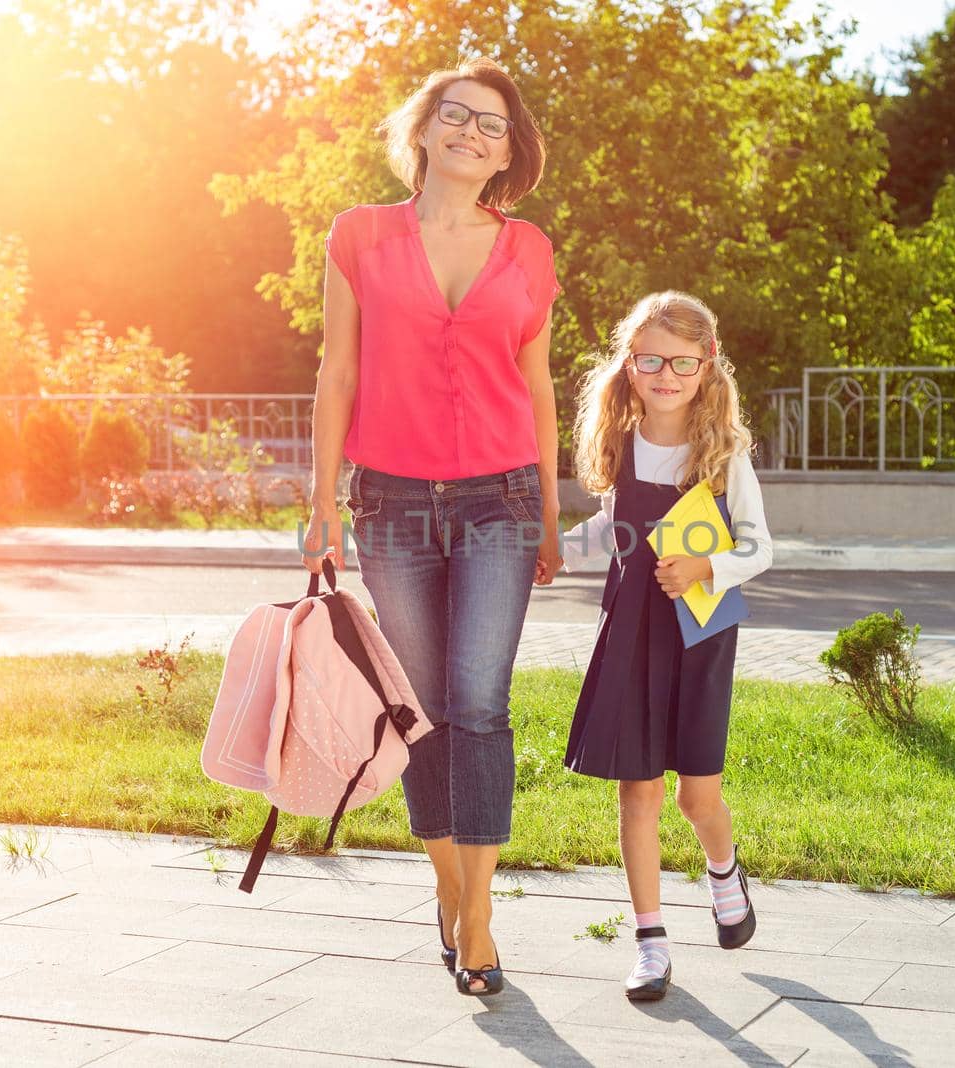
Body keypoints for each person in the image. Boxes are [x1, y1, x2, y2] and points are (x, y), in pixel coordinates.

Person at [302, 58, 561, 998]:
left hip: (501, 500)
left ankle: (479, 915)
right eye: (455, 115)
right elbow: (337, 374)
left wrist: (550, 509)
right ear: (422, 129)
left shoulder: (528, 249)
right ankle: (448, 890)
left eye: (491, 125)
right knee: (425, 714)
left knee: (480, 704)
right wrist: (322, 502)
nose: (470, 132)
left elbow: (535, 385)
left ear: (508, 154)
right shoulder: (359, 236)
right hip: (394, 503)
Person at [557, 291, 773, 1002]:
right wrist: (552, 554)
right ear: (629, 365)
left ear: (707, 365)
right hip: (631, 632)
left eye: (682, 361)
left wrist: (707, 567)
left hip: (700, 633)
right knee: (638, 789)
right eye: (650, 359)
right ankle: (651, 941)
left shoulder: (723, 453)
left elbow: (759, 548)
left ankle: (724, 870)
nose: (666, 374)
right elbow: (613, 528)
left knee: (694, 796)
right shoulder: (622, 444)